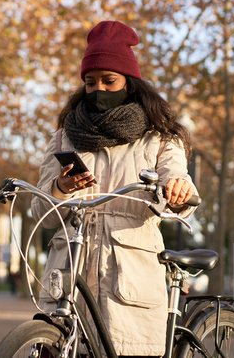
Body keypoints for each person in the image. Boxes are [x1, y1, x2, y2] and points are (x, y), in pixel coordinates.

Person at [31, 20, 199, 357]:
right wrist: (61, 187)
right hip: (69, 275)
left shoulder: (161, 138)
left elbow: (178, 182)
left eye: (110, 81)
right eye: (90, 82)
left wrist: (178, 190)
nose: (99, 90)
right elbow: (40, 214)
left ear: (129, 82)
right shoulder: (65, 136)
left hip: (127, 281)